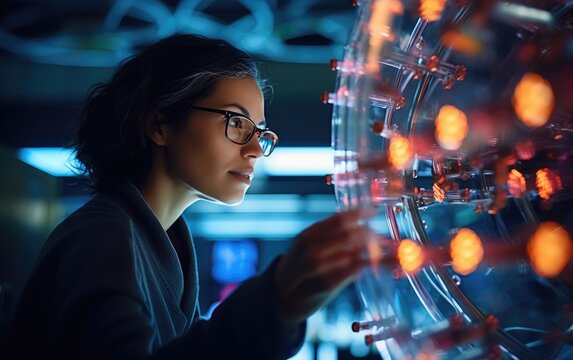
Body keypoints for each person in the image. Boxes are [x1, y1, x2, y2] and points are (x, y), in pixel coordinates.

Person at [2, 34, 373, 359]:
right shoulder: (101, 236)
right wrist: (275, 303)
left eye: (259, 132)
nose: (256, 150)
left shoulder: (164, 246)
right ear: (159, 124)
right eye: (236, 123)